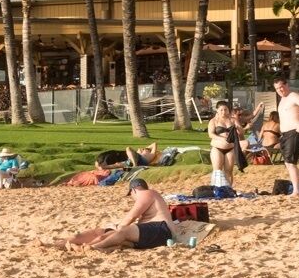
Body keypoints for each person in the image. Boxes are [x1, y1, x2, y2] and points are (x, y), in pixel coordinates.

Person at [49, 179, 198, 251]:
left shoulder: (147, 193)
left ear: (133, 190)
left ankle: (90, 248)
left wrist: (117, 226)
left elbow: (131, 217)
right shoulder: (150, 197)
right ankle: (59, 244)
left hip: (162, 230)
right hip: (149, 233)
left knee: (121, 231)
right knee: (101, 232)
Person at [206, 103, 240, 192]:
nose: (224, 112)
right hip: (217, 148)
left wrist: (239, 128)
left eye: (225, 110)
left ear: (228, 110)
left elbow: (241, 131)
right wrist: (221, 138)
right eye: (221, 110)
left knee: (229, 171)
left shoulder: (232, 120)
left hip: (230, 148)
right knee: (217, 170)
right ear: (217, 110)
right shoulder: (213, 121)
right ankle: (216, 189)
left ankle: (228, 189)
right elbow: (211, 134)